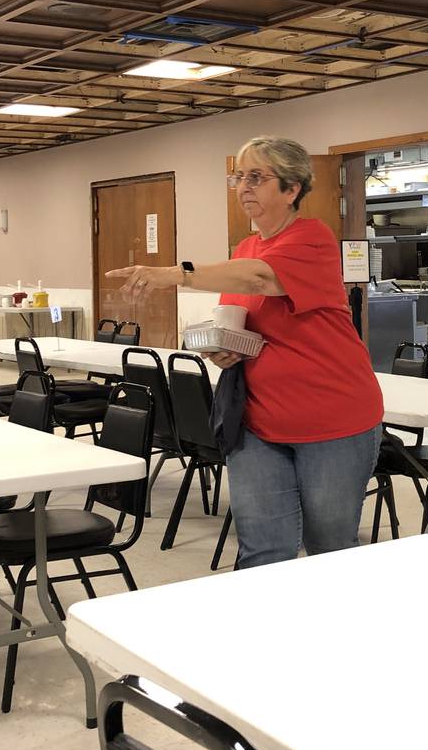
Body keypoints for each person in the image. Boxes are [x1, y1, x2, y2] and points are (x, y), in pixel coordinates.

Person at [108, 136, 382, 569]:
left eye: (257, 177)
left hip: (334, 421)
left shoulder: (313, 238)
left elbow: (260, 280)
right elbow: (238, 320)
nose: (243, 187)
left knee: (329, 550)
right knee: (262, 549)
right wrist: (224, 349)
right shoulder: (246, 248)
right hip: (258, 421)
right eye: (239, 177)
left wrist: (173, 274)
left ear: (292, 189)